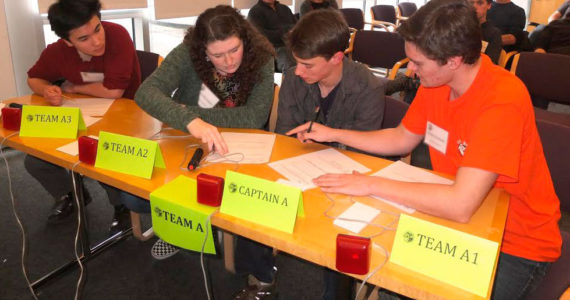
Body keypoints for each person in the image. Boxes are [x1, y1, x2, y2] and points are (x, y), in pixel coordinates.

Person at [288, 0, 562, 299]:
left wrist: (369, 184)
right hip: (458, 217)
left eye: (418, 64)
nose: (412, 72)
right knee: (394, 287)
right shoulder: (437, 83)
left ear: (454, 60)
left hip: (515, 242)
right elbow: (402, 138)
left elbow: (460, 205)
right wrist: (331, 133)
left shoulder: (501, 101)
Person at [235, 9, 386, 300]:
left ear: (337, 58)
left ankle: (337, 294)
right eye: (296, 62)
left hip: (347, 176)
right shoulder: (294, 77)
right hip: (299, 166)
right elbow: (286, 134)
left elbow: (363, 152)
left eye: (307, 65)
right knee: (254, 194)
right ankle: (261, 280)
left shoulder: (367, 85)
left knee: (341, 229)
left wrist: (322, 147)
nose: (297, 71)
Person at [131, 5, 275, 260]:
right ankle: (179, 231)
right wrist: (190, 121)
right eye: (218, 55)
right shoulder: (188, 52)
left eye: (234, 49)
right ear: (203, 51)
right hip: (189, 140)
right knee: (136, 196)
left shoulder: (262, 56)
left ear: (244, 39)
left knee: (248, 207)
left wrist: (195, 115)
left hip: (242, 146)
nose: (229, 61)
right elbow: (146, 92)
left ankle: (252, 267)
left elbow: (254, 117)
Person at [25, 0, 140, 233]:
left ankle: (122, 206)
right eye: (84, 39)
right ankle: (71, 193)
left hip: (127, 112)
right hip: (83, 115)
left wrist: (73, 88)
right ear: (67, 41)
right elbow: (34, 78)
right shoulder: (57, 52)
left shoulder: (117, 35)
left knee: (100, 154)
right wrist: (46, 90)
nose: (97, 41)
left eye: (97, 29)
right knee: (35, 160)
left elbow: (114, 92)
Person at [247, 0, 297, 72]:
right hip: (274, 48)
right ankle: (290, 82)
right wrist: (286, 32)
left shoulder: (285, 9)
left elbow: (297, 27)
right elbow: (261, 37)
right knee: (290, 65)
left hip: (293, 45)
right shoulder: (255, 12)